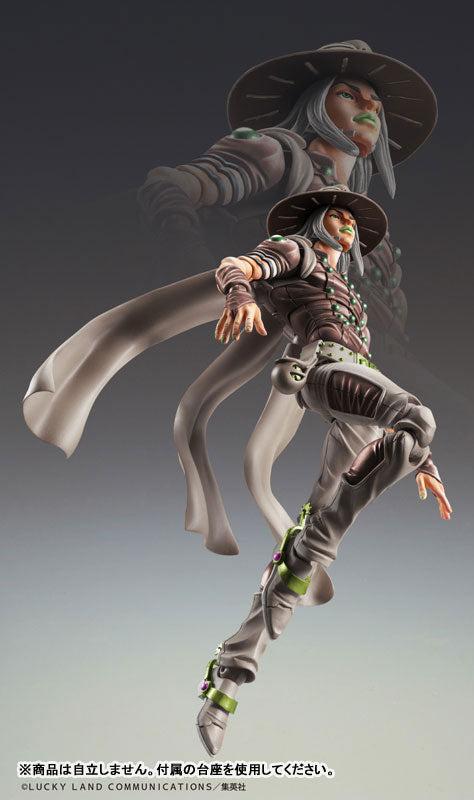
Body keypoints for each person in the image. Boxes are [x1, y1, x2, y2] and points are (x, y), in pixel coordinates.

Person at [195, 184, 452, 756]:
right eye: (338, 216)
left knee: (306, 555)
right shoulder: (297, 252)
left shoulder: (352, 295)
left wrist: (421, 460)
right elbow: (237, 264)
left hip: (357, 393)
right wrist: (239, 294)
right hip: (323, 370)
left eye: (352, 223)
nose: (348, 225)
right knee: (418, 418)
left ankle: (226, 682)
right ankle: (321, 533)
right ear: (316, 221)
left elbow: (380, 390)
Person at [138, 39, 438, 342]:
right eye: (348, 94)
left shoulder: (373, 234)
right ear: (316, 103)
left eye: (376, 104)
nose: (369, 107)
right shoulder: (275, 154)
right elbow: (166, 185)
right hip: (252, 325)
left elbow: (391, 324)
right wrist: (199, 270)